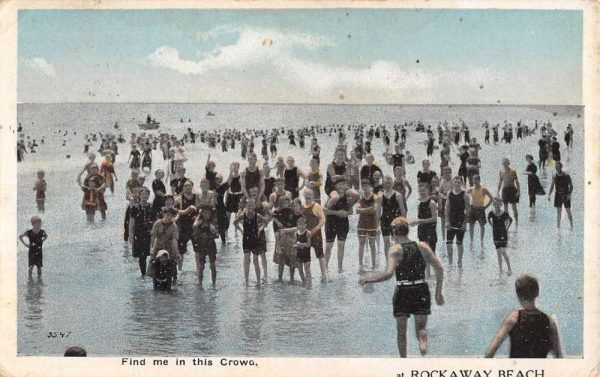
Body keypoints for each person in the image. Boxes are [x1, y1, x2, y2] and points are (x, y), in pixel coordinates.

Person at [359, 217, 445, 357]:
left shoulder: (395, 250)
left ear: (393, 232)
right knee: (421, 328)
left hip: (403, 291)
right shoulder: (422, 246)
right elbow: (439, 269)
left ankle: (403, 361)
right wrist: (438, 293)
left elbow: (388, 274)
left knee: (401, 332)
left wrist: (369, 279)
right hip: (421, 288)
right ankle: (422, 339)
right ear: (407, 230)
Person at [485, 274, 563, 358]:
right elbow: (558, 356)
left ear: (518, 295)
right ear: (537, 293)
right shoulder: (548, 320)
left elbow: (490, 352)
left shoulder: (514, 318)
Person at [234, 198, 267, 286]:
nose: (250, 207)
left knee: (255, 260)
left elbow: (265, 222)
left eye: (252, 206)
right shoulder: (243, 215)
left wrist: (260, 229)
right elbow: (235, 222)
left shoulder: (257, 215)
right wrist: (241, 230)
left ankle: (258, 282)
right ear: (245, 206)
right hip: (246, 240)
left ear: (255, 206)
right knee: (246, 259)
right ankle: (247, 280)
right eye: (248, 205)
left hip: (255, 239)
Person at [324, 176, 353, 273]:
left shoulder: (347, 196)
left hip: (343, 223)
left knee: (341, 245)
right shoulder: (331, 196)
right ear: (335, 186)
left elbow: (351, 211)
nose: (341, 186)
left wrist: (346, 213)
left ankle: (340, 267)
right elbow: (324, 211)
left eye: (343, 184)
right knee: (329, 246)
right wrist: (337, 213)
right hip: (331, 222)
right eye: (339, 184)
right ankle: (325, 267)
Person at [410, 184, 438, 277]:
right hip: (422, 230)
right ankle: (428, 274)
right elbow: (420, 218)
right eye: (420, 191)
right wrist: (415, 223)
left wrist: (420, 221)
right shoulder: (419, 203)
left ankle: (437, 273)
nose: (422, 193)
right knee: (424, 253)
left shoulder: (432, 203)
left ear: (428, 191)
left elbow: (434, 219)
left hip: (430, 229)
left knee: (432, 253)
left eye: (423, 191)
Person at [302, 189, 327, 283]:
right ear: (303, 195)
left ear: (312, 195)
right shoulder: (302, 207)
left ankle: (324, 276)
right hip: (305, 236)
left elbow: (323, 220)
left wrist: (314, 230)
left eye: (310, 194)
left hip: (316, 236)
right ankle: (308, 279)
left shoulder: (316, 206)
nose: (308, 196)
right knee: (305, 258)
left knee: (320, 256)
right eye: (306, 194)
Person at [378, 175, 406, 259]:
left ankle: (398, 261)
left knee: (397, 242)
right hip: (385, 221)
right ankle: (388, 262)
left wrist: (404, 222)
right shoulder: (380, 196)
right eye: (385, 183)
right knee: (386, 242)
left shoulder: (398, 195)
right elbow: (378, 211)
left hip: (395, 220)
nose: (387, 185)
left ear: (392, 183)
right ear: (383, 184)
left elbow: (402, 210)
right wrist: (377, 224)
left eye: (389, 183)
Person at [130, 187, 156, 276]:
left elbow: (155, 220)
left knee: (153, 252)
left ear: (149, 195)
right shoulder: (136, 207)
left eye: (146, 194)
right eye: (143, 194)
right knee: (142, 255)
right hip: (139, 233)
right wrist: (131, 234)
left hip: (150, 233)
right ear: (139, 196)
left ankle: (152, 272)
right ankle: (143, 274)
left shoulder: (151, 206)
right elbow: (132, 221)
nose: (144, 196)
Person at [445, 176, 470, 267]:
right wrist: (447, 221)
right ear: (453, 183)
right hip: (451, 220)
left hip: (460, 220)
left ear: (462, 183)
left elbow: (468, 211)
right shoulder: (449, 193)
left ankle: (459, 262)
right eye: (455, 182)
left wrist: (464, 224)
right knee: (449, 243)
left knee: (459, 243)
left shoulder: (465, 195)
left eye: (458, 182)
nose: (456, 184)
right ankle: (450, 262)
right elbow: (447, 208)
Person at [174, 180, 198, 272]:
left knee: (198, 249)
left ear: (192, 186)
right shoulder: (178, 199)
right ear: (183, 188)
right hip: (183, 227)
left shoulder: (197, 197)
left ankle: (198, 269)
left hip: (195, 227)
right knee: (181, 250)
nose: (188, 187)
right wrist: (185, 211)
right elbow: (174, 211)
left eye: (189, 185)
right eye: (185, 186)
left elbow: (201, 209)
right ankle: (179, 270)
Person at [192, 208, 219, 288]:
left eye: (208, 213)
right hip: (202, 246)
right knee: (201, 266)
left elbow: (217, 235)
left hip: (211, 245)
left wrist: (213, 232)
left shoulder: (213, 222)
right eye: (205, 213)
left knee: (213, 266)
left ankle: (214, 284)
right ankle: (200, 283)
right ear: (202, 214)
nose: (207, 215)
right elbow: (194, 228)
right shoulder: (199, 222)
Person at [356, 180, 379, 269]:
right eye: (363, 186)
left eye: (366, 186)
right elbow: (357, 210)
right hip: (361, 223)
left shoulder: (375, 197)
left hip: (372, 223)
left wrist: (363, 210)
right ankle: (360, 265)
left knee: (372, 243)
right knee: (361, 243)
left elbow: (375, 210)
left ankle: (373, 264)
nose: (365, 188)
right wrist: (369, 209)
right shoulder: (360, 197)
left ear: (370, 187)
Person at [466, 174, 494, 249]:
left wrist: (486, 206)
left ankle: (481, 241)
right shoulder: (471, 189)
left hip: (481, 208)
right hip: (473, 208)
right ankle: (471, 241)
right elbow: (464, 196)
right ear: (472, 180)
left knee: (482, 226)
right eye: (474, 180)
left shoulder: (483, 189)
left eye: (477, 180)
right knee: (471, 225)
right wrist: (467, 206)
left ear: (479, 180)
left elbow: (491, 198)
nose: (475, 181)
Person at [487, 197, 513, 275]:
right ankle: (501, 270)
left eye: (498, 204)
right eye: (495, 204)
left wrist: (507, 228)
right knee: (498, 252)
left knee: (503, 251)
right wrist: (492, 226)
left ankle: (509, 268)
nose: (496, 205)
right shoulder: (491, 213)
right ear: (493, 205)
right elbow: (488, 219)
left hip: (503, 234)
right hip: (495, 234)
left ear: (501, 204)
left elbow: (510, 220)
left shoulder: (504, 213)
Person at [547, 161, 573, 230]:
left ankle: (571, 226)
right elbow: (552, 185)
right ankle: (558, 228)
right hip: (558, 195)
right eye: (556, 167)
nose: (557, 168)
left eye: (558, 167)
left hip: (565, 195)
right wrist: (549, 194)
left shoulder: (566, 175)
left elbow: (571, 185)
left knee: (568, 211)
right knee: (558, 212)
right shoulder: (554, 175)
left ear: (561, 167)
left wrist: (569, 194)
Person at [497, 158, 520, 226]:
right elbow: (500, 182)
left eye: (506, 163)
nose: (505, 165)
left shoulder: (513, 171)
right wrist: (498, 191)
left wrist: (518, 191)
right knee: (505, 207)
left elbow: (517, 182)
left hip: (512, 189)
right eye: (504, 163)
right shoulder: (501, 171)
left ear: (508, 163)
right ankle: (506, 222)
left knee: (514, 207)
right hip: (505, 189)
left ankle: (516, 222)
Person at [294, 216, 312, 286]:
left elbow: (309, 244)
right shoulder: (296, 233)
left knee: (307, 269)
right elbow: (294, 244)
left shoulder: (308, 233)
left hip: (306, 254)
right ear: (297, 225)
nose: (301, 226)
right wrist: (295, 246)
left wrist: (300, 244)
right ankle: (304, 282)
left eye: (302, 225)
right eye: (299, 225)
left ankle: (310, 284)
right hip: (299, 254)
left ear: (305, 225)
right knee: (300, 269)